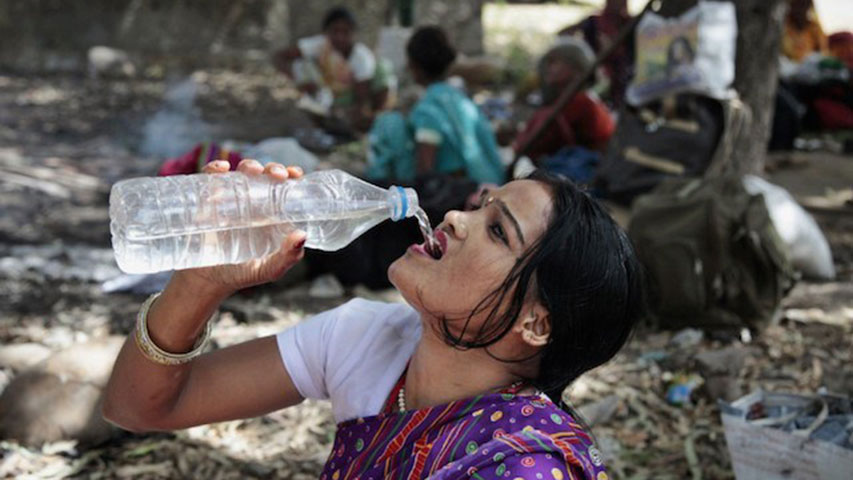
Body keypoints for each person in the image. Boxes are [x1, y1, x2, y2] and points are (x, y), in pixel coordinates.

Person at [102, 159, 645, 479]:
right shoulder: (366, 336)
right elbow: (138, 407)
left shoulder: (521, 466)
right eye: (480, 206)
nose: (456, 218)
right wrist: (201, 282)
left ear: (537, 324)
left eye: (498, 231)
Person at [366, 26, 505, 185]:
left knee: (390, 123)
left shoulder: (428, 110)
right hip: (495, 183)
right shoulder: (459, 99)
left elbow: (425, 171)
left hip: (473, 194)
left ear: (413, 65)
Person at [274, 6, 394, 131]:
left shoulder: (362, 57)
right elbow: (280, 56)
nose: (340, 37)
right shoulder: (320, 45)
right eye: (335, 31)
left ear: (353, 33)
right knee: (301, 64)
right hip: (325, 94)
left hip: (350, 99)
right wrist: (296, 80)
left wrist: (355, 115)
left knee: (382, 67)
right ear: (326, 32)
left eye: (345, 32)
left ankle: (377, 117)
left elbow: (361, 98)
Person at [513, 40, 616, 164]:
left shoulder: (580, 102)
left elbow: (536, 143)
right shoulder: (566, 100)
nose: (548, 68)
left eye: (555, 62)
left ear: (576, 68)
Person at [559, 0, 633, 109]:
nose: (618, 4)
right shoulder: (594, 22)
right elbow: (564, 33)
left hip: (619, 74)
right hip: (595, 69)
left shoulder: (629, 24)